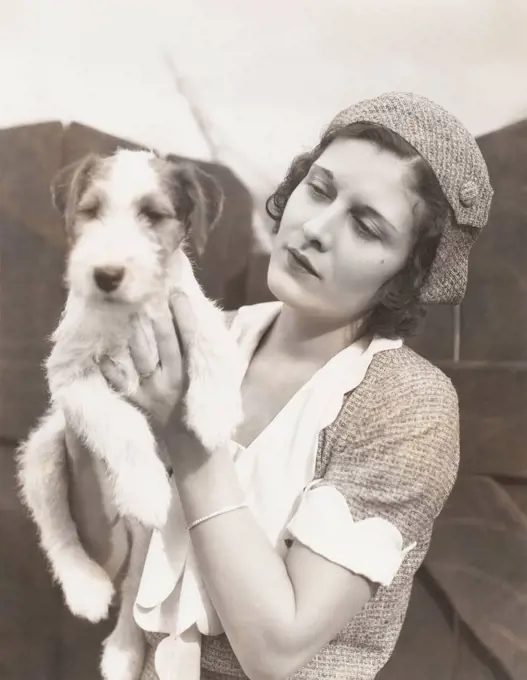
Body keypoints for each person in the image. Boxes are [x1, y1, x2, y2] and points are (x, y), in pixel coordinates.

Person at [68, 92, 493, 680]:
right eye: (317, 189)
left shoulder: (405, 407)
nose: (315, 228)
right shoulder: (200, 337)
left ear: (409, 271)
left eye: (366, 227)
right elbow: (115, 557)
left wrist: (189, 442)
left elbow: (276, 649)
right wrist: (87, 416)